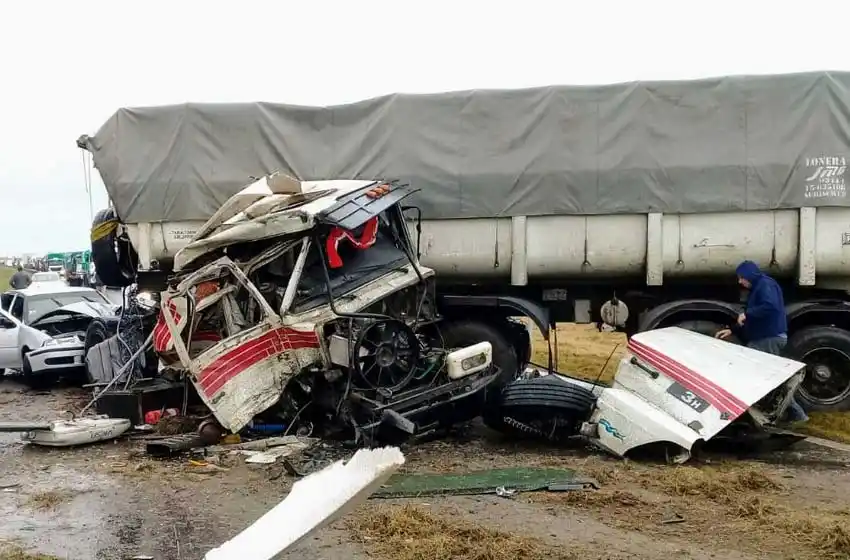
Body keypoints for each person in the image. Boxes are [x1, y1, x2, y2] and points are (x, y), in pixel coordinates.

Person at [715, 260, 809, 423]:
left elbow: (770, 306)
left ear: (749, 275)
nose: (740, 281)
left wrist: (748, 314)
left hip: (769, 338)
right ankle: (795, 414)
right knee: (768, 378)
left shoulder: (765, 285)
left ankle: (796, 414)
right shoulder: (760, 286)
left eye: (741, 277)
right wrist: (733, 329)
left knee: (764, 377)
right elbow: (753, 319)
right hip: (766, 337)